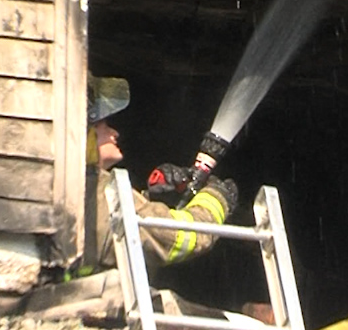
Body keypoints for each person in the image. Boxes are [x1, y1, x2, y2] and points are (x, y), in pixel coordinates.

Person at [80, 76, 238, 274]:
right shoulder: (97, 193)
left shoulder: (83, 190)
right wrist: (215, 199)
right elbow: (176, 239)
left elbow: (125, 228)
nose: (115, 132)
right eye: (103, 125)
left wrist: (153, 200)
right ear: (85, 133)